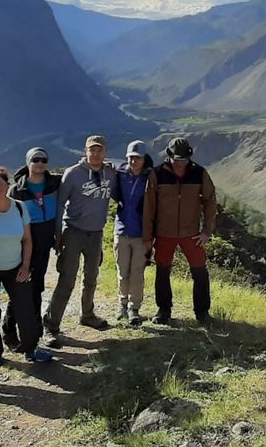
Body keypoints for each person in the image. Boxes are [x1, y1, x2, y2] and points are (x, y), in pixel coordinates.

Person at [43, 134, 117, 342]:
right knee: (67, 279)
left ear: (105, 152)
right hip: (73, 231)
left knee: (91, 277)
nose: (95, 153)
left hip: (96, 233)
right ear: (85, 151)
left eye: (99, 149)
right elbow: (60, 204)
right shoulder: (73, 174)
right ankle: (51, 325)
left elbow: (120, 194)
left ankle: (87, 315)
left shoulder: (110, 174)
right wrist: (58, 234)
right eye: (92, 149)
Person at [0, 165, 53, 369]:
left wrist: (26, 265)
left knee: (25, 309)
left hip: (16, 268)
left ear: (7, 184)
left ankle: (31, 349)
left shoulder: (19, 207)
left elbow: (27, 240)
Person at [151, 136, 218, 326]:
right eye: (177, 159)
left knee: (200, 272)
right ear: (169, 156)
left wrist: (206, 231)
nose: (180, 163)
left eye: (184, 160)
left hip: (191, 234)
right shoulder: (157, 174)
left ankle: (202, 313)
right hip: (164, 233)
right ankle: (164, 311)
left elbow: (210, 201)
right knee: (162, 272)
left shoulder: (199, 173)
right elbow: (149, 207)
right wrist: (149, 235)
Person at [5, 147, 60, 349]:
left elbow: (76, 177)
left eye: (43, 160)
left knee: (37, 287)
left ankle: (35, 330)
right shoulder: (16, 190)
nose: (39, 163)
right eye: (35, 159)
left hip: (44, 244)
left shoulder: (54, 183)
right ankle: (9, 333)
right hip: (22, 245)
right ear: (28, 162)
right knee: (20, 287)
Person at [111, 140, 156, 326]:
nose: (134, 161)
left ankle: (134, 308)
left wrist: (152, 237)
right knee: (122, 271)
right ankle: (122, 304)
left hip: (141, 234)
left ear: (144, 159)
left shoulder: (151, 177)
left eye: (137, 158)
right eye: (131, 157)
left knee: (137, 272)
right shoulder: (120, 174)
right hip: (121, 230)